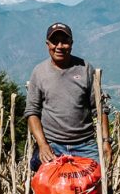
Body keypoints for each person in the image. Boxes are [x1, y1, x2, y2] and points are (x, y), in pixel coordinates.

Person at [25, 22, 111, 173]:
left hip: (85, 145)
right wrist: (43, 145)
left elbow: (99, 108)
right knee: (48, 188)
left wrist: (105, 141)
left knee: (97, 185)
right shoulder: (39, 72)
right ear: (47, 44)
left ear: (71, 43)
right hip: (53, 145)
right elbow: (32, 112)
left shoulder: (85, 68)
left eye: (64, 41)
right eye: (54, 41)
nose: (59, 46)